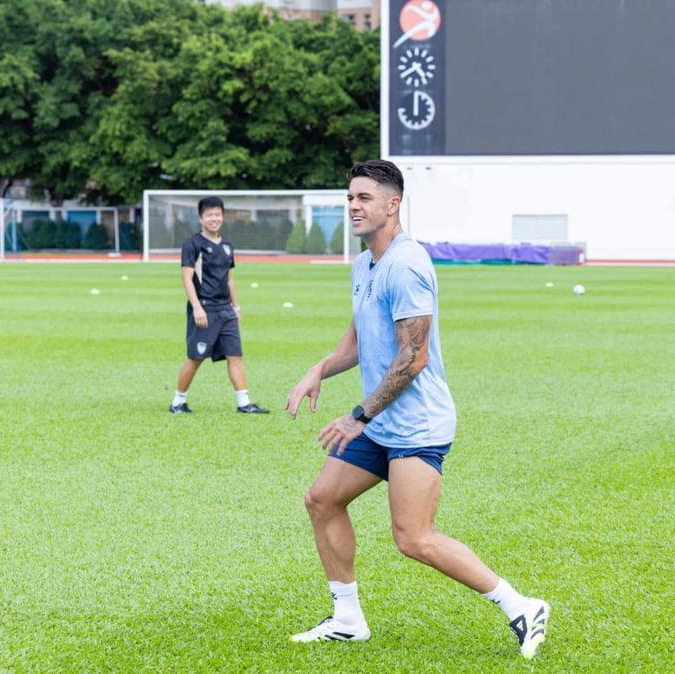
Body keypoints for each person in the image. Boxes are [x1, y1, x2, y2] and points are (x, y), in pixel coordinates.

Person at [284, 160, 548, 659]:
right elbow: (361, 338)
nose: (354, 206)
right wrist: (318, 369)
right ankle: (346, 619)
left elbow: (413, 356)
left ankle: (521, 605)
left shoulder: (406, 264)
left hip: (416, 425)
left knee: (414, 537)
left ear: (393, 204)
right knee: (322, 500)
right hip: (381, 423)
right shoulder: (365, 264)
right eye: (350, 198)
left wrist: (357, 415)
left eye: (364, 198)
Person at [169, 196, 268, 415]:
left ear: (222, 216)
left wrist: (236, 307)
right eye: (209, 215)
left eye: (217, 214)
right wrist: (196, 307)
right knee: (196, 358)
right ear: (201, 218)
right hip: (205, 308)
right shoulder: (193, 245)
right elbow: (186, 277)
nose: (214, 218)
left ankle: (244, 403)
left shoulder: (226, 245)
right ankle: (177, 401)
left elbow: (229, 278)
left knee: (235, 355)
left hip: (226, 310)